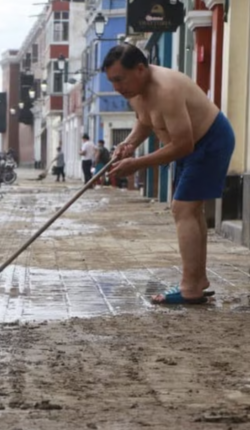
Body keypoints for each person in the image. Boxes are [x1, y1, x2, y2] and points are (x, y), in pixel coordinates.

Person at [103, 43, 235, 305]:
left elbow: (183, 145)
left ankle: (189, 288)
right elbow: (146, 120)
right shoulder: (136, 90)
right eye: (112, 81)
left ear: (140, 69)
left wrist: (137, 163)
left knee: (182, 209)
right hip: (190, 145)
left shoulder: (167, 89)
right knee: (190, 210)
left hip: (210, 140)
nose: (117, 88)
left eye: (120, 79)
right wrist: (129, 145)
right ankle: (198, 280)